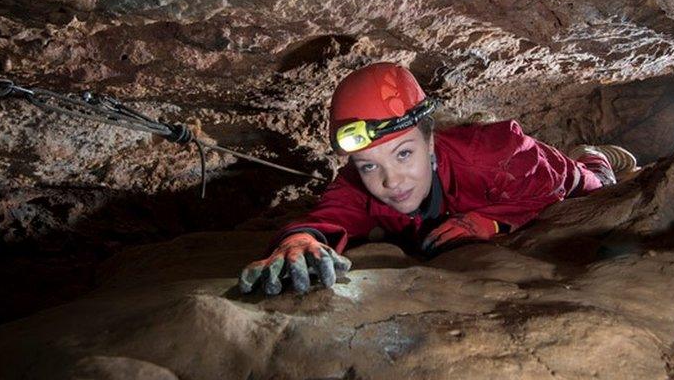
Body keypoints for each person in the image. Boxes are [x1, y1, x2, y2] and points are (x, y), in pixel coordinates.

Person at [238, 63, 636, 295]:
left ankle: (596, 154)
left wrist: (491, 221)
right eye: (369, 165)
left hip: (556, 171)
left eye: (404, 153)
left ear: (430, 141)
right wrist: (299, 242)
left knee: (599, 185)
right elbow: (330, 214)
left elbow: (550, 187)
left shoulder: (493, 152)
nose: (391, 182)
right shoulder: (359, 183)